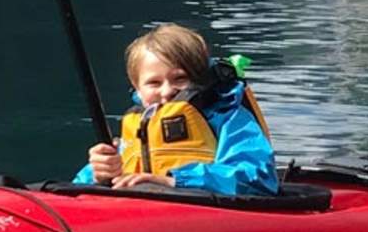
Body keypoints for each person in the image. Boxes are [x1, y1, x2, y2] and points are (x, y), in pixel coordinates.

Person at [75, 24, 278, 195]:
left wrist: (172, 182)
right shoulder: (138, 127)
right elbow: (78, 186)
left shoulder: (227, 117)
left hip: (208, 219)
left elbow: (258, 178)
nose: (167, 91)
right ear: (137, 87)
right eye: (154, 83)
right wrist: (99, 174)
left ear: (201, 80)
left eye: (180, 79)